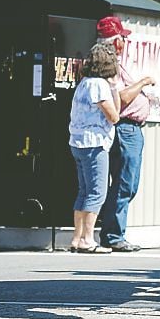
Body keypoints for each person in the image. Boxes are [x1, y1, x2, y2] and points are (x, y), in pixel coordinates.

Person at [96, 16, 156, 252]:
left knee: (125, 183)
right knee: (124, 183)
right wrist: (143, 83)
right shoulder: (110, 67)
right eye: (121, 38)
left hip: (130, 129)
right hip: (126, 128)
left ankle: (113, 232)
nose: (124, 42)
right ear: (116, 41)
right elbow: (120, 99)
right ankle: (113, 235)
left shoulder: (115, 65)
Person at [68, 43, 120, 254]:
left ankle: (76, 238)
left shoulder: (84, 82)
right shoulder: (99, 85)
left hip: (77, 141)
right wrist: (115, 88)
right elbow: (114, 116)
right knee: (97, 192)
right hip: (94, 142)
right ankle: (88, 239)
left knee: (84, 191)